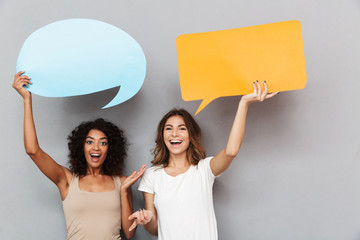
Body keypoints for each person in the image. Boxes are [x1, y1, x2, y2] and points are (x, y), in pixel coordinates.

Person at [128, 81, 278, 240]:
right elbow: (154, 230)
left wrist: (244, 103)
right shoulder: (152, 175)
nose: (174, 134)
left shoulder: (204, 169)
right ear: (162, 136)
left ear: (190, 135)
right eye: (169, 128)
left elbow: (231, 151)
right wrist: (148, 219)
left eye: (182, 128)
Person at [12, 71, 145, 240]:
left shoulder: (122, 183)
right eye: (90, 141)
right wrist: (26, 100)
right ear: (81, 147)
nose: (96, 147)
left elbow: (129, 232)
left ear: (110, 150)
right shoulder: (67, 180)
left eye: (103, 143)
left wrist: (125, 192)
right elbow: (32, 150)